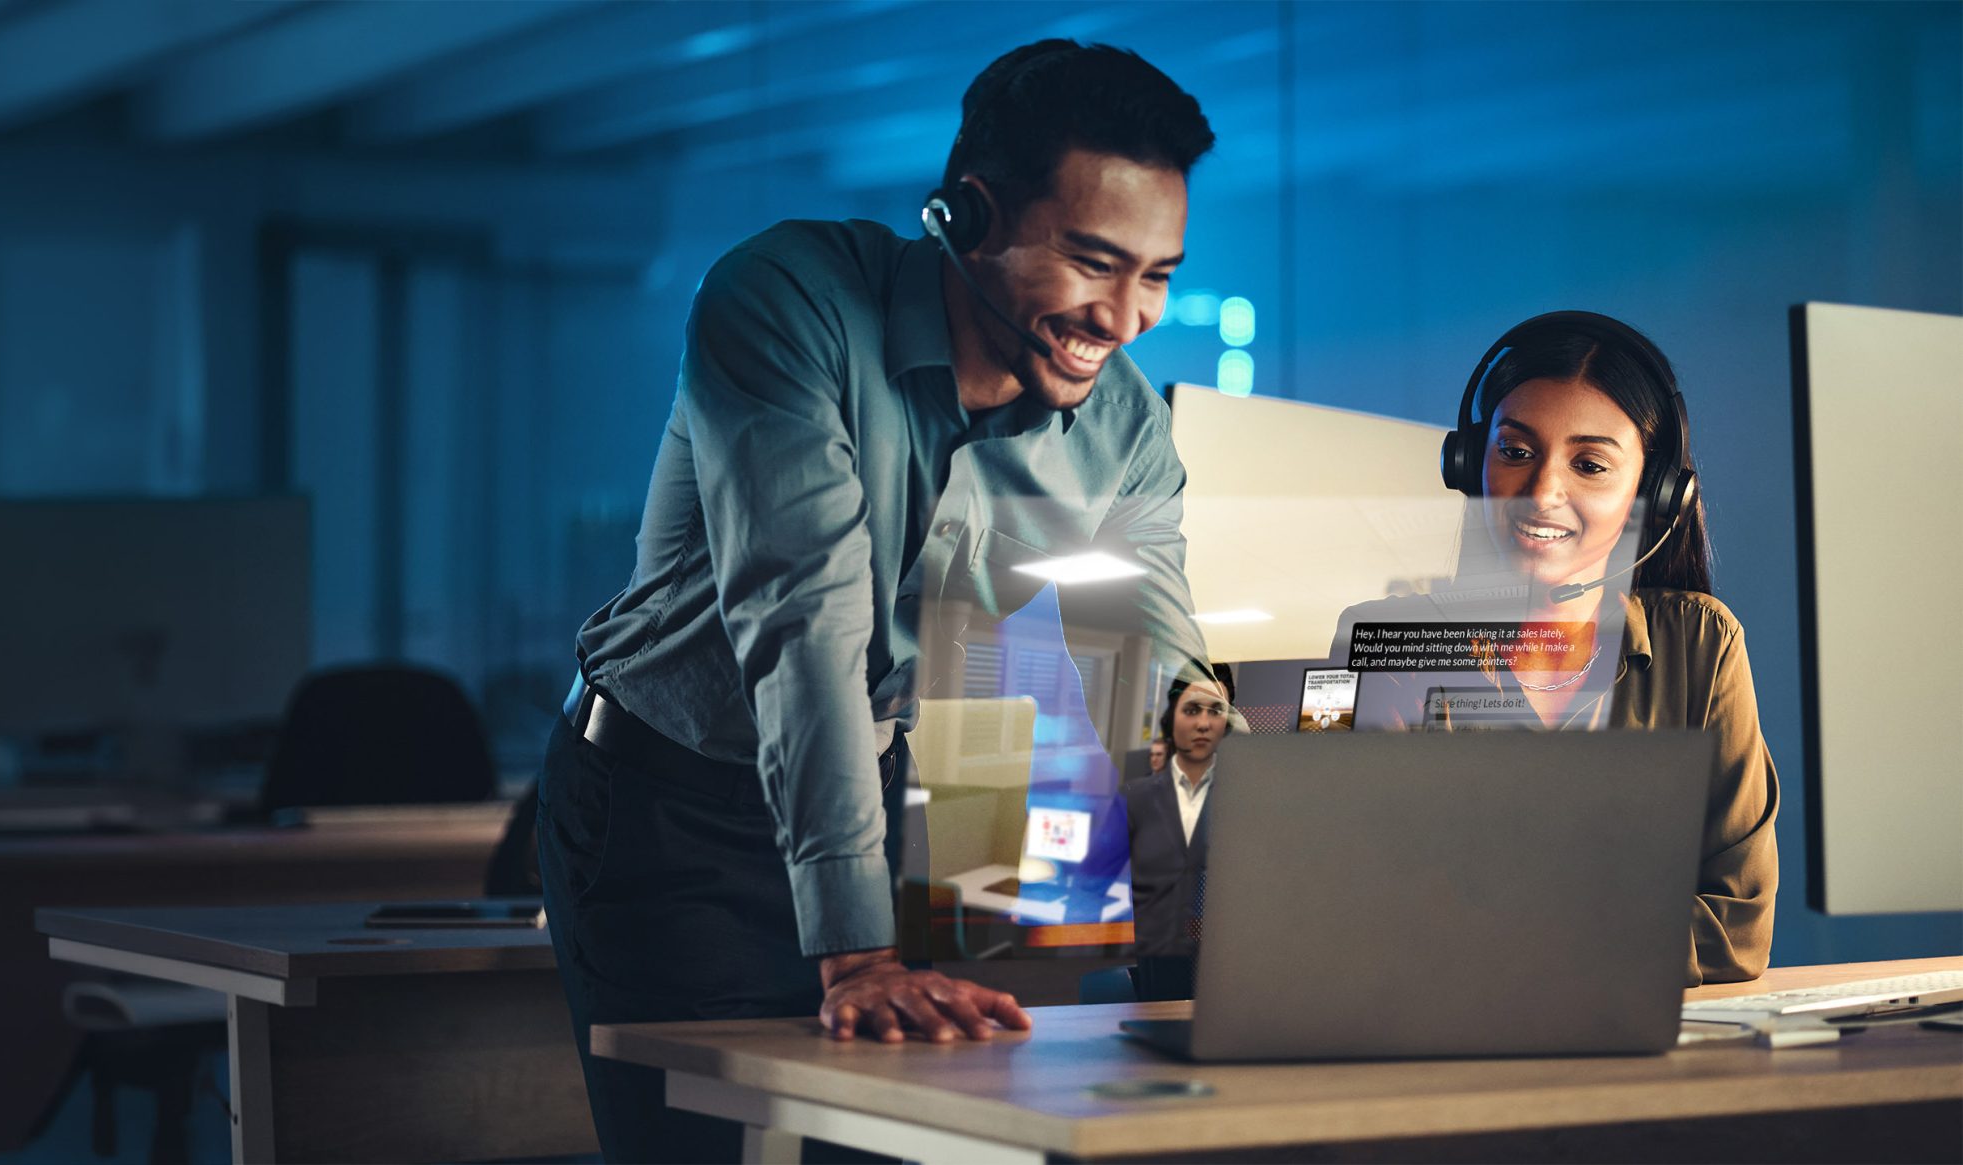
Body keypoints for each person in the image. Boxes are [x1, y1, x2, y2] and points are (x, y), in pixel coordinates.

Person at [536, 39, 1217, 1163]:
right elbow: (806, 628)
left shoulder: (1123, 425)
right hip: (677, 808)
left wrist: (1237, 858)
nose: (1126, 317)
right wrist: (858, 947)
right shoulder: (784, 299)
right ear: (969, 212)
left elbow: (1154, 665)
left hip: (925, 796)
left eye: (1157, 275)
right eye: (1095, 262)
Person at [1335, 311, 1777, 984]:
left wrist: (1500, 929)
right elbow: (1351, 914)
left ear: (1656, 492)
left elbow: (1735, 928)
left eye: (1590, 464)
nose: (1542, 493)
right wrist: (1616, 929)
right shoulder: (1389, 646)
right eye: (1515, 451)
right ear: (1469, 462)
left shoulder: (1701, 646)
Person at [1120, 672, 1233, 1001]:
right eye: (1192, 709)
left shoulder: (1247, 796)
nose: (1203, 723)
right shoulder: (1139, 796)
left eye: (1216, 710)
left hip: (1223, 959)